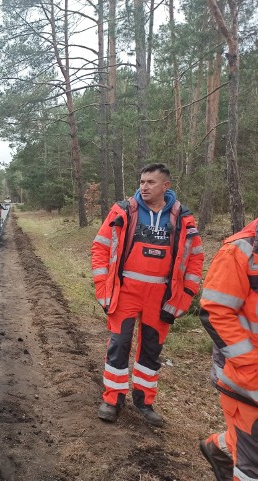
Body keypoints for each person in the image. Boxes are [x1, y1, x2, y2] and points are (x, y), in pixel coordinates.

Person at [91, 163, 204, 426]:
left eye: (151, 182)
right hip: (126, 292)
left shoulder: (183, 218)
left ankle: (144, 401)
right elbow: (100, 246)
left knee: (152, 350)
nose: (144, 187)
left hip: (161, 296)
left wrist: (184, 297)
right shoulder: (124, 211)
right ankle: (112, 399)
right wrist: (102, 286)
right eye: (142, 181)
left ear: (166, 186)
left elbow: (195, 261)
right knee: (119, 345)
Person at [199, 218, 258, 481]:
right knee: (252, 467)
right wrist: (251, 366)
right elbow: (216, 312)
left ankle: (220, 448)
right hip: (246, 378)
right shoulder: (240, 250)